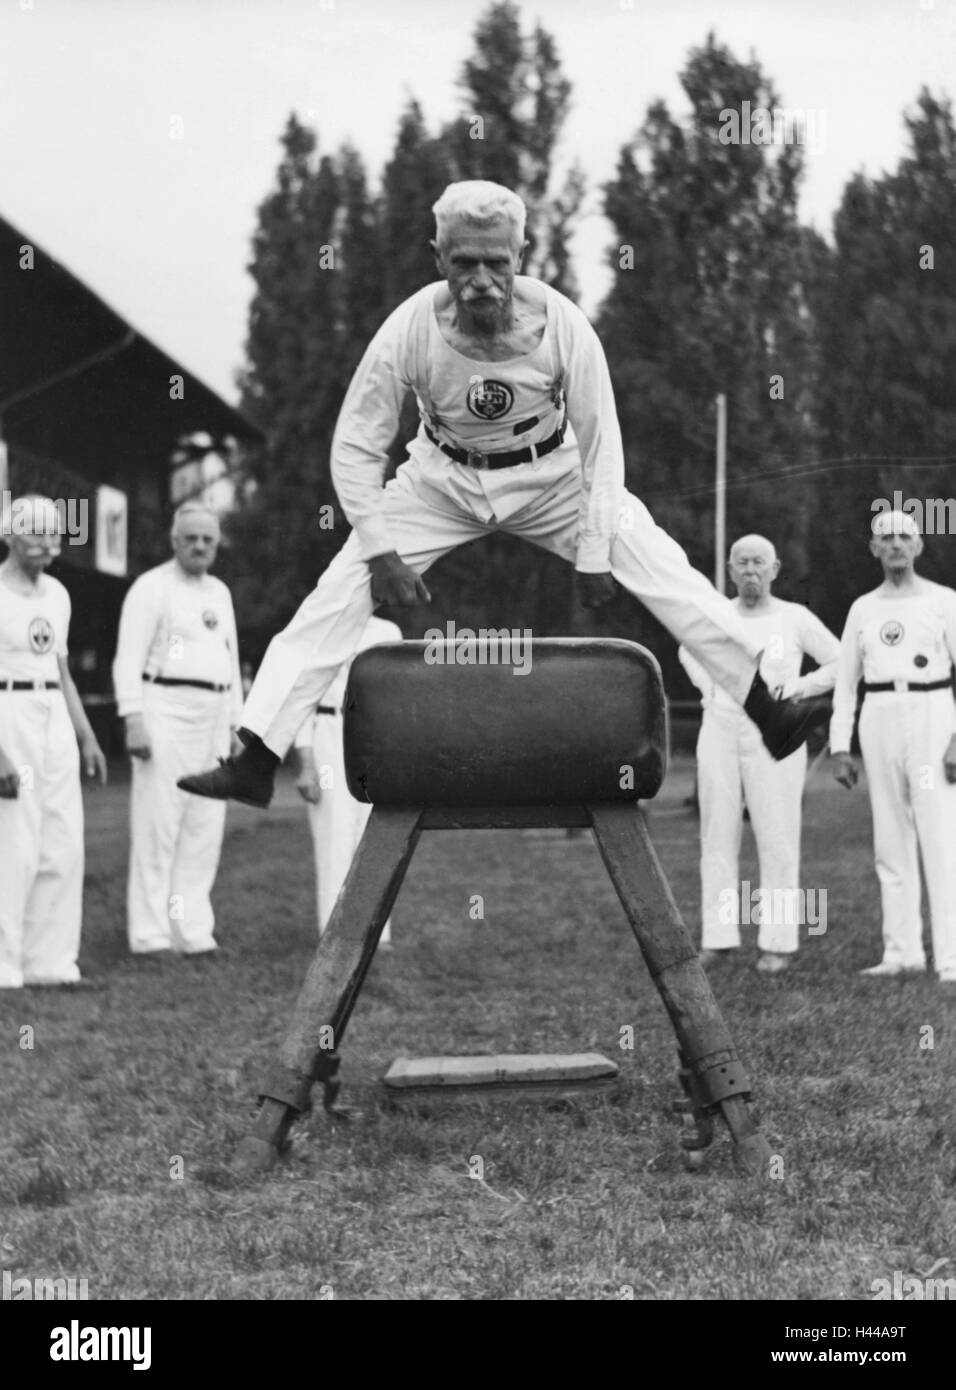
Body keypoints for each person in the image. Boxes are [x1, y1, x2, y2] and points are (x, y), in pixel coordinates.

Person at [178, 180, 824, 811]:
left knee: (662, 566)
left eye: (496, 263)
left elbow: (604, 448)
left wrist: (596, 550)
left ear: (522, 255)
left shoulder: (565, 325)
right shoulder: (409, 327)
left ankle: (769, 710)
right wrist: (378, 548)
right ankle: (256, 759)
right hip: (441, 480)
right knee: (337, 594)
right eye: (463, 263)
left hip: (553, 476)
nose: (480, 280)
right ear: (439, 259)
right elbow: (356, 445)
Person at [679, 535, 839, 973]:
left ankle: (778, 943)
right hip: (720, 725)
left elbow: (840, 662)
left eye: (759, 563)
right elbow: (687, 650)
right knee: (717, 832)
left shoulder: (795, 617)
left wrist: (799, 689)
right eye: (742, 563)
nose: (750, 570)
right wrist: (713, 688)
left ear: (775, 568)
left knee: (778, 834)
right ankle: (718, 937)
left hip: (777, 731)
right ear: (730, 570)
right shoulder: (714, 614)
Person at [112, 501, 243, 955]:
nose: (200, 546)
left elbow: (230, 659)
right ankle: (149, 935)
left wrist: (234, 725)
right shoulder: (151, 588)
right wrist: (133, 719)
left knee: (203, 826)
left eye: (208, 539)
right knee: (158, 824)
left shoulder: (220, 593)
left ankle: (192, 930)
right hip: (163, 707)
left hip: (212, 714)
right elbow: (127, 658)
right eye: (191, 538)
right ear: (174, 541)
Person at [831, 509, 956, 983]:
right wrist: (841, 745)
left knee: (941, 836)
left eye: (905, 535)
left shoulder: (944, 600)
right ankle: (901, 951)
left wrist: (955, 740)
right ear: (874, 548)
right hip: (880, 715)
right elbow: (846, 683)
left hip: (932, 712)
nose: (897, 544)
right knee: (890, 836)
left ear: (919, 545)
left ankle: (950, 956)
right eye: (887, 537)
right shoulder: (863, 608)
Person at [0, 494, 107, 989]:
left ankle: (52, 961)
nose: (47, 543)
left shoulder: (58, 595)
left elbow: (62, 673)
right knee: (12, 841)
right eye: (36, 533)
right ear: (9, 535)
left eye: (54, 534)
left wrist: (86, 736)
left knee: (61, 838)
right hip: (9, 715)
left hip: (53, 719)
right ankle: (5, 964)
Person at [292, 614, 402, 943]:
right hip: (330, 734)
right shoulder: (324, 625)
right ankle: (336, 931)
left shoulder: (388, 631)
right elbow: (303, 698)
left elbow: (395, 694)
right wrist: (306, 761)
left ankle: (374, 933)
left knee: (374, 837)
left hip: (375, 738)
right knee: (334, 837)